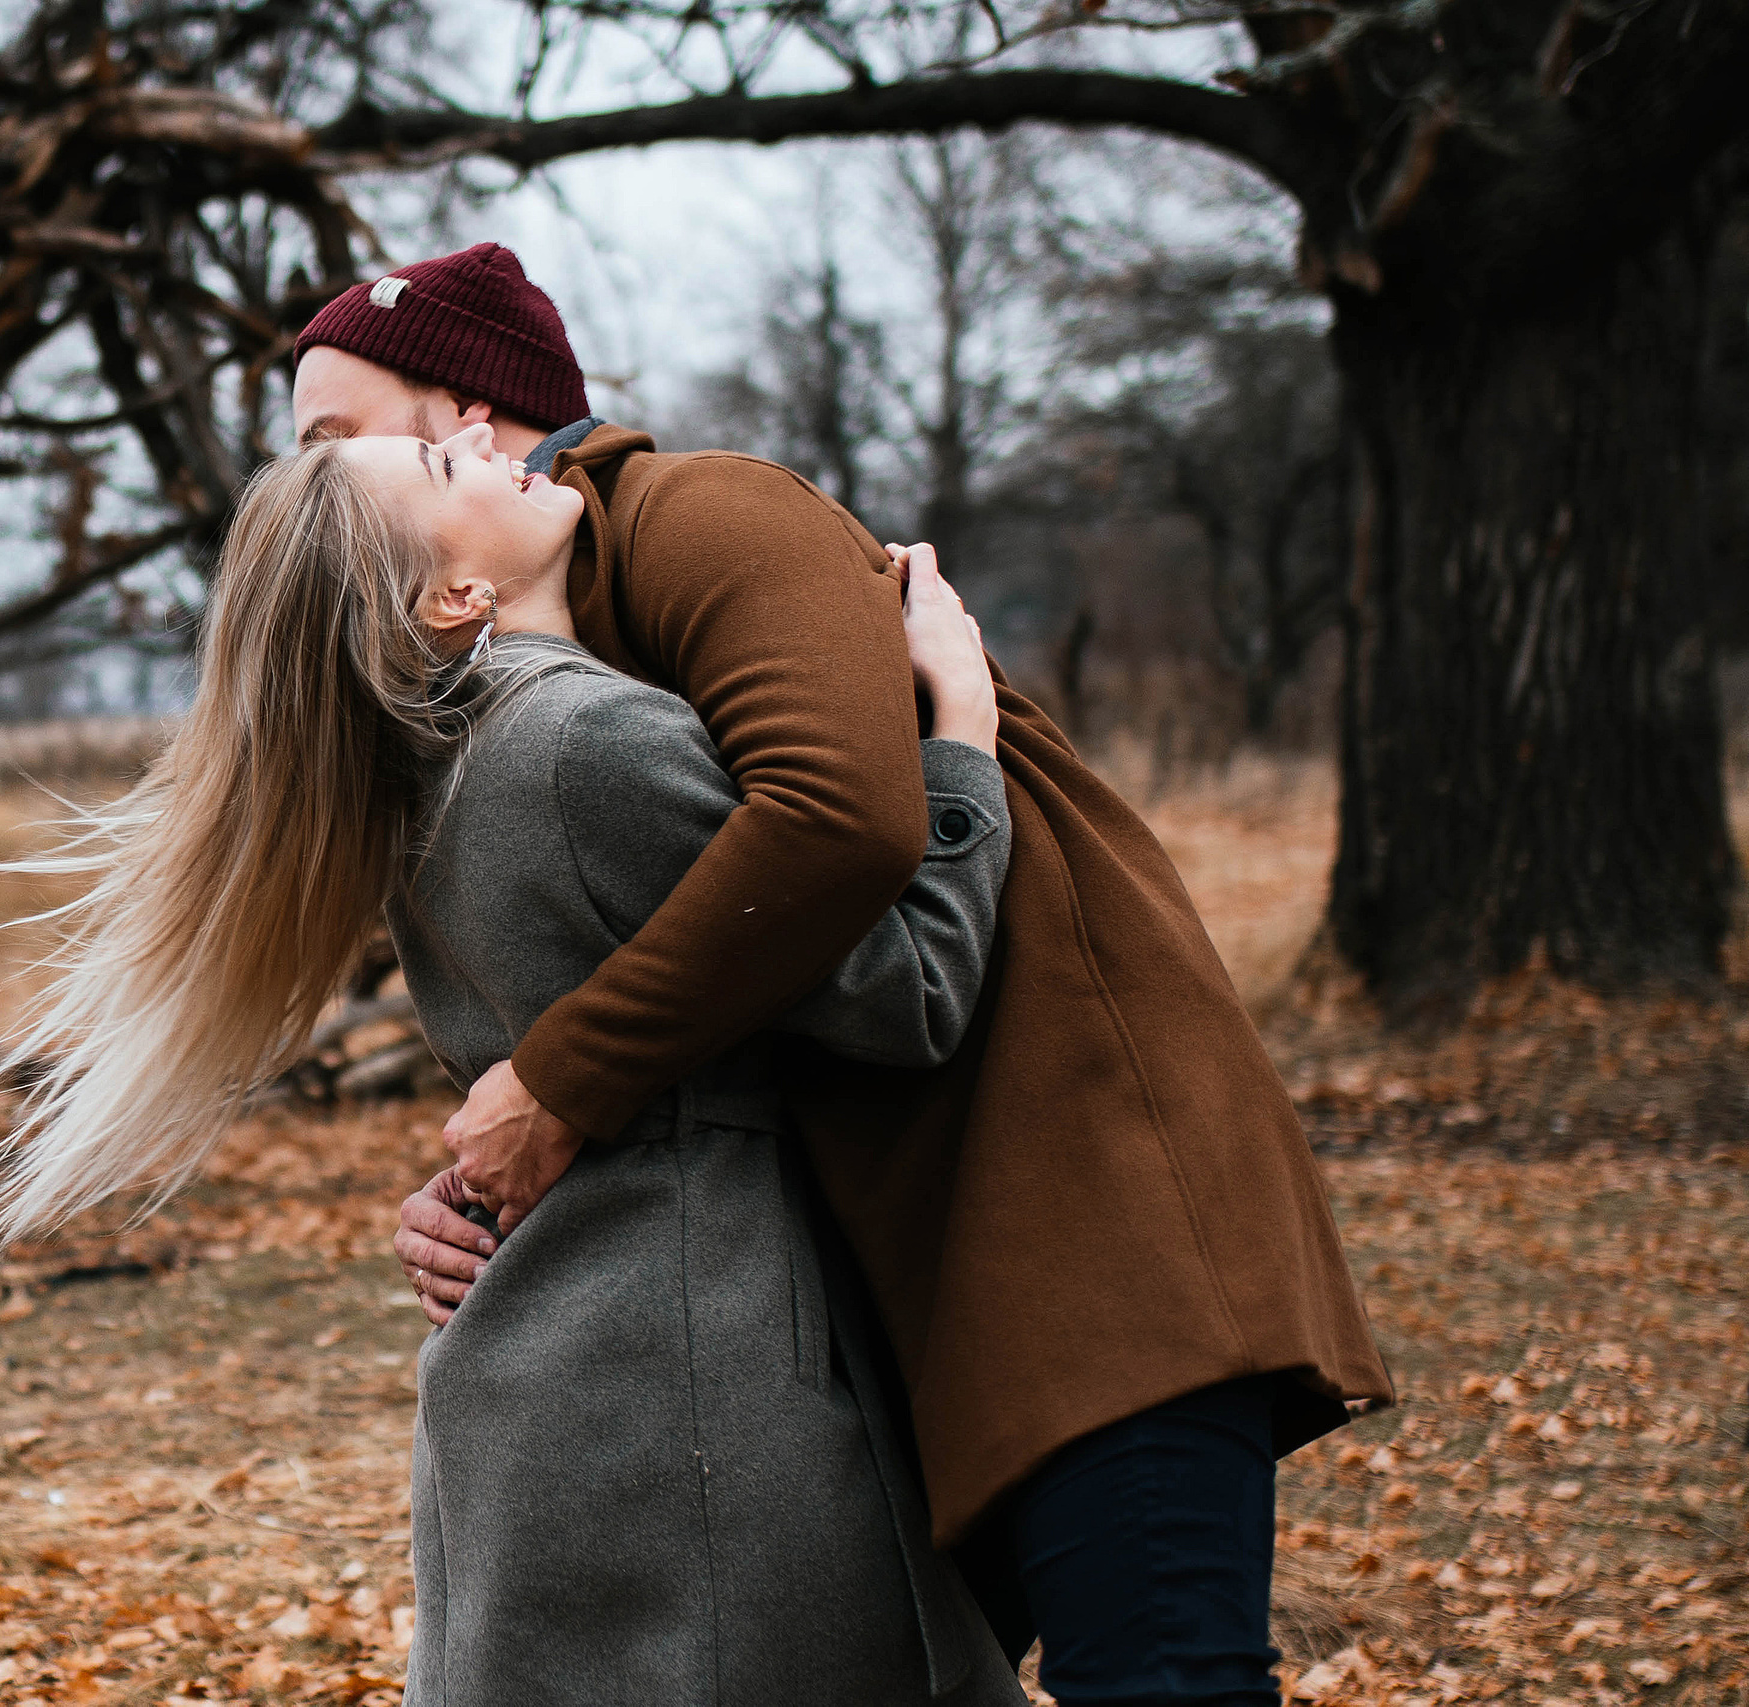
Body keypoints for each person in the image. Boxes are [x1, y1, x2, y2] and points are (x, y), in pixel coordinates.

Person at [293, 243, 1397, 1706]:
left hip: (1086, 1191)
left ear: (475, 420)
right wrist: (476, 1182)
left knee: (1168, 1676)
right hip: (904, 1250)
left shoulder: (698, 515)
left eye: (337, 439)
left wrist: (563, 1078)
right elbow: (721, 966)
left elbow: (836, 820)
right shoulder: (554, 670)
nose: (304, 482)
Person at [0, 425, 1026, 1705]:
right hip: (697, 1368)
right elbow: (914, 990)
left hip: (548, 1351)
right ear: (453, 596)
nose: (480, 441)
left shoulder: (432, 773)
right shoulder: (589, 745)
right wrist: (962, 737)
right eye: (438, 467)